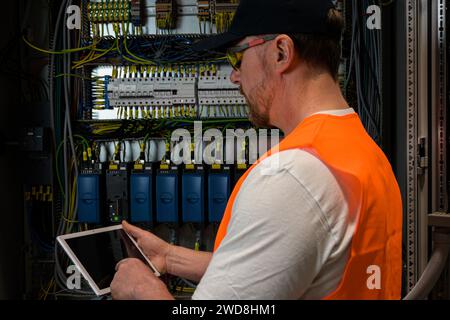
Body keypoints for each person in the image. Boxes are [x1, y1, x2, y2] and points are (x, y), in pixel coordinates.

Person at [111, 0, 402, 300]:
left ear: (281, 53)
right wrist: (171, 257)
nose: (234, 76)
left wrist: (143, 289)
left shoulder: (291, 177)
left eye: (238, 58)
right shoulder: (361, 149)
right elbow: (285, 266)